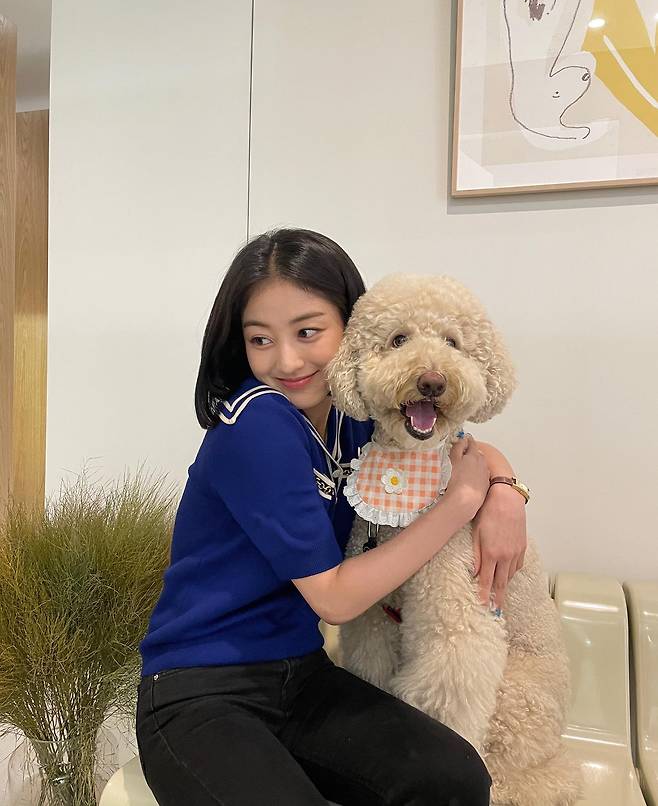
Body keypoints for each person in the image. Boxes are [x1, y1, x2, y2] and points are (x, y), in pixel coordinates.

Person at [136, 229, 528, 806]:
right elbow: (335, 599)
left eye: (308, 332)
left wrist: (506, 490)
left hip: (300, 676)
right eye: (260, 339)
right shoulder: (257, 426)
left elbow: (458, 444)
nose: (287, 360)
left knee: (455, 778)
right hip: (200, 692)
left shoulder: (355, 413)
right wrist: (461, 504)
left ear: (353, 326)